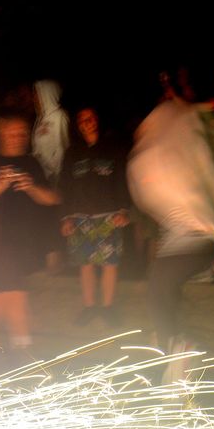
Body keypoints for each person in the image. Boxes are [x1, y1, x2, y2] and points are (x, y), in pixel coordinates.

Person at [128, 78, 214, 356]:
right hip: (178, 240)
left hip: (199, 237)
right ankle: (171, 341)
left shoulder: (182, 129)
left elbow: (213, 188)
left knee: (158, 290)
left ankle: (176, 345)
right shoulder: (149, 149)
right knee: (161, 291)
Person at [0, 111, 60, 352]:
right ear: (1, 133)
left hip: (27, 241)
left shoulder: (32, 163)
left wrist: (31, 187)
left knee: (4, 294)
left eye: (22, 133)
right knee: (14, 294)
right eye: (13, 132)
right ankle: (20, 351)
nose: (18, 137)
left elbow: (52, 198)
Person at [60, 107, 129, 325]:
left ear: (97, 120)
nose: (86, 122)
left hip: (108, 216)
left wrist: (124, 211)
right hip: (80, 217)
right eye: (81, 119)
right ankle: (89, 307)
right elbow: (65, 186)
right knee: (85, 263)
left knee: (109, 264)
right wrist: (65, 217)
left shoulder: (112, 149)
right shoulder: (72, 153)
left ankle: (108, 308)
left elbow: (122, 181)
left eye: (89, 118)